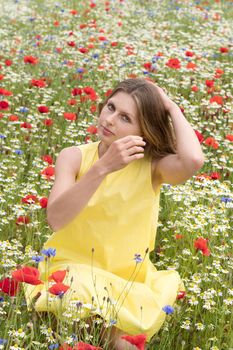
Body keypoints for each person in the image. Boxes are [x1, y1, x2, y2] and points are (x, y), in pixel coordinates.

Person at [26, 78, 204, 349]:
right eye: (110, 107)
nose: (109, 120)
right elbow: (56, 219)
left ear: (143, 131)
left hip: (125, 280)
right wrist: (101, 168)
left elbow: (193, 160)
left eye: (125, 118)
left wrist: (169, 106)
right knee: (78, 335)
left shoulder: (152, 167)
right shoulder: (74, 157)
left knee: (124, 345)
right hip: (72, 272)